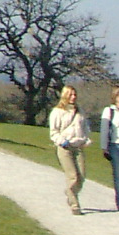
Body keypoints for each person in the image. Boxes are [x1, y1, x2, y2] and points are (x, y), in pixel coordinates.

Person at [48, 85, 90, 215]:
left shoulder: (80, 111)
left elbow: (85, 128)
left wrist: (86, 139)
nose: (73, 97)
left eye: (75, 95)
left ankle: (70, 192)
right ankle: (74, 204)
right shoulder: (57, 112)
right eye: (70, 95)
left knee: (81, 176)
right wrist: (62, 141)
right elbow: (53, 132)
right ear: (65, 96)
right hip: (65, 147)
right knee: (72, 176)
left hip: (78, 147)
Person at [100, 85, 119, 212]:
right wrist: (104, 147)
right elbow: (104, 129)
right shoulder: (109, 111)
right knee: (118, 176)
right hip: (114, 146)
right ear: (115, 97)